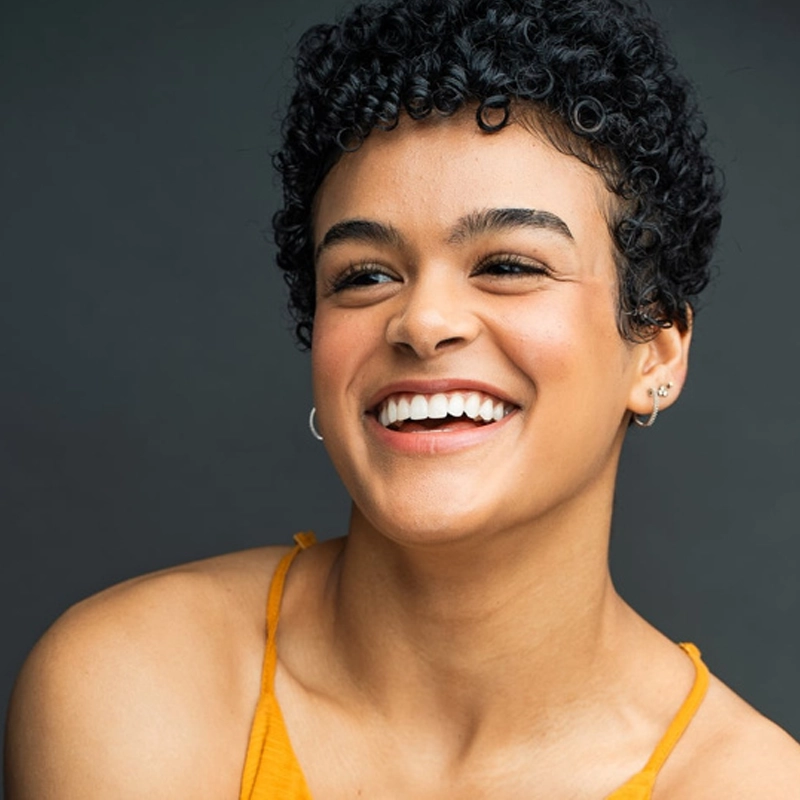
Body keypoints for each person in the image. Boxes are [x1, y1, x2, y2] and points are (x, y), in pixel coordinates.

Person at [5, 0, 800, 797]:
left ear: (655, 350)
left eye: (511, 265)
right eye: (365, 275)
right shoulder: (134, 688)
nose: (421, 322)